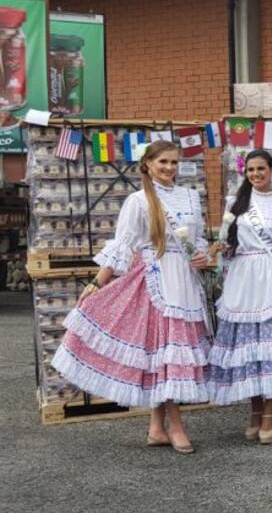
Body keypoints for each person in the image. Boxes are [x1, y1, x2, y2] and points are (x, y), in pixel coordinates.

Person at [52, 140, 211, 454]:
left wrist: (202, 255)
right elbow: (122, 245)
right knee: (165, 356)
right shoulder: (137, 201)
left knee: (161, 357)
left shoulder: (191, 196)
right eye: (163, 162)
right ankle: (176, 426)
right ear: (148, 164)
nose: (169, 168)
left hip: (185, 281)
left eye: (174, 162)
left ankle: (156, 428)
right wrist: (97, 283)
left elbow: (198, 238)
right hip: (155, 280)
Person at [208, 150, 272, 444]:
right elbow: (229, 243)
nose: (255, 174)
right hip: (243, 277)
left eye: (261, 168)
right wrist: (223, 249)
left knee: (271, 347)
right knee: (249, 346)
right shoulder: (235, 203)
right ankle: (254, 411)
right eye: (250, 170)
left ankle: (268, 415)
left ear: (271, 170)